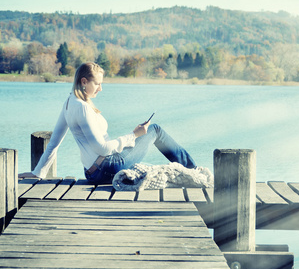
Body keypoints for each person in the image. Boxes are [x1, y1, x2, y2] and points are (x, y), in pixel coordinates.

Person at [19, 62, 197, 185]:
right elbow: (103, 148)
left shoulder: (69, 103)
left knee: (145, 136)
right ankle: (194, 171)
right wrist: (133, 136)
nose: (100, 89)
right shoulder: (82, 108)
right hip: (107, 168)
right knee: (155, 129)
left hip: (92, 173)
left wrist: (38, 173)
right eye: (97, 84)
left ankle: (191, 170)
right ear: (84, 82)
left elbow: (53, 144)